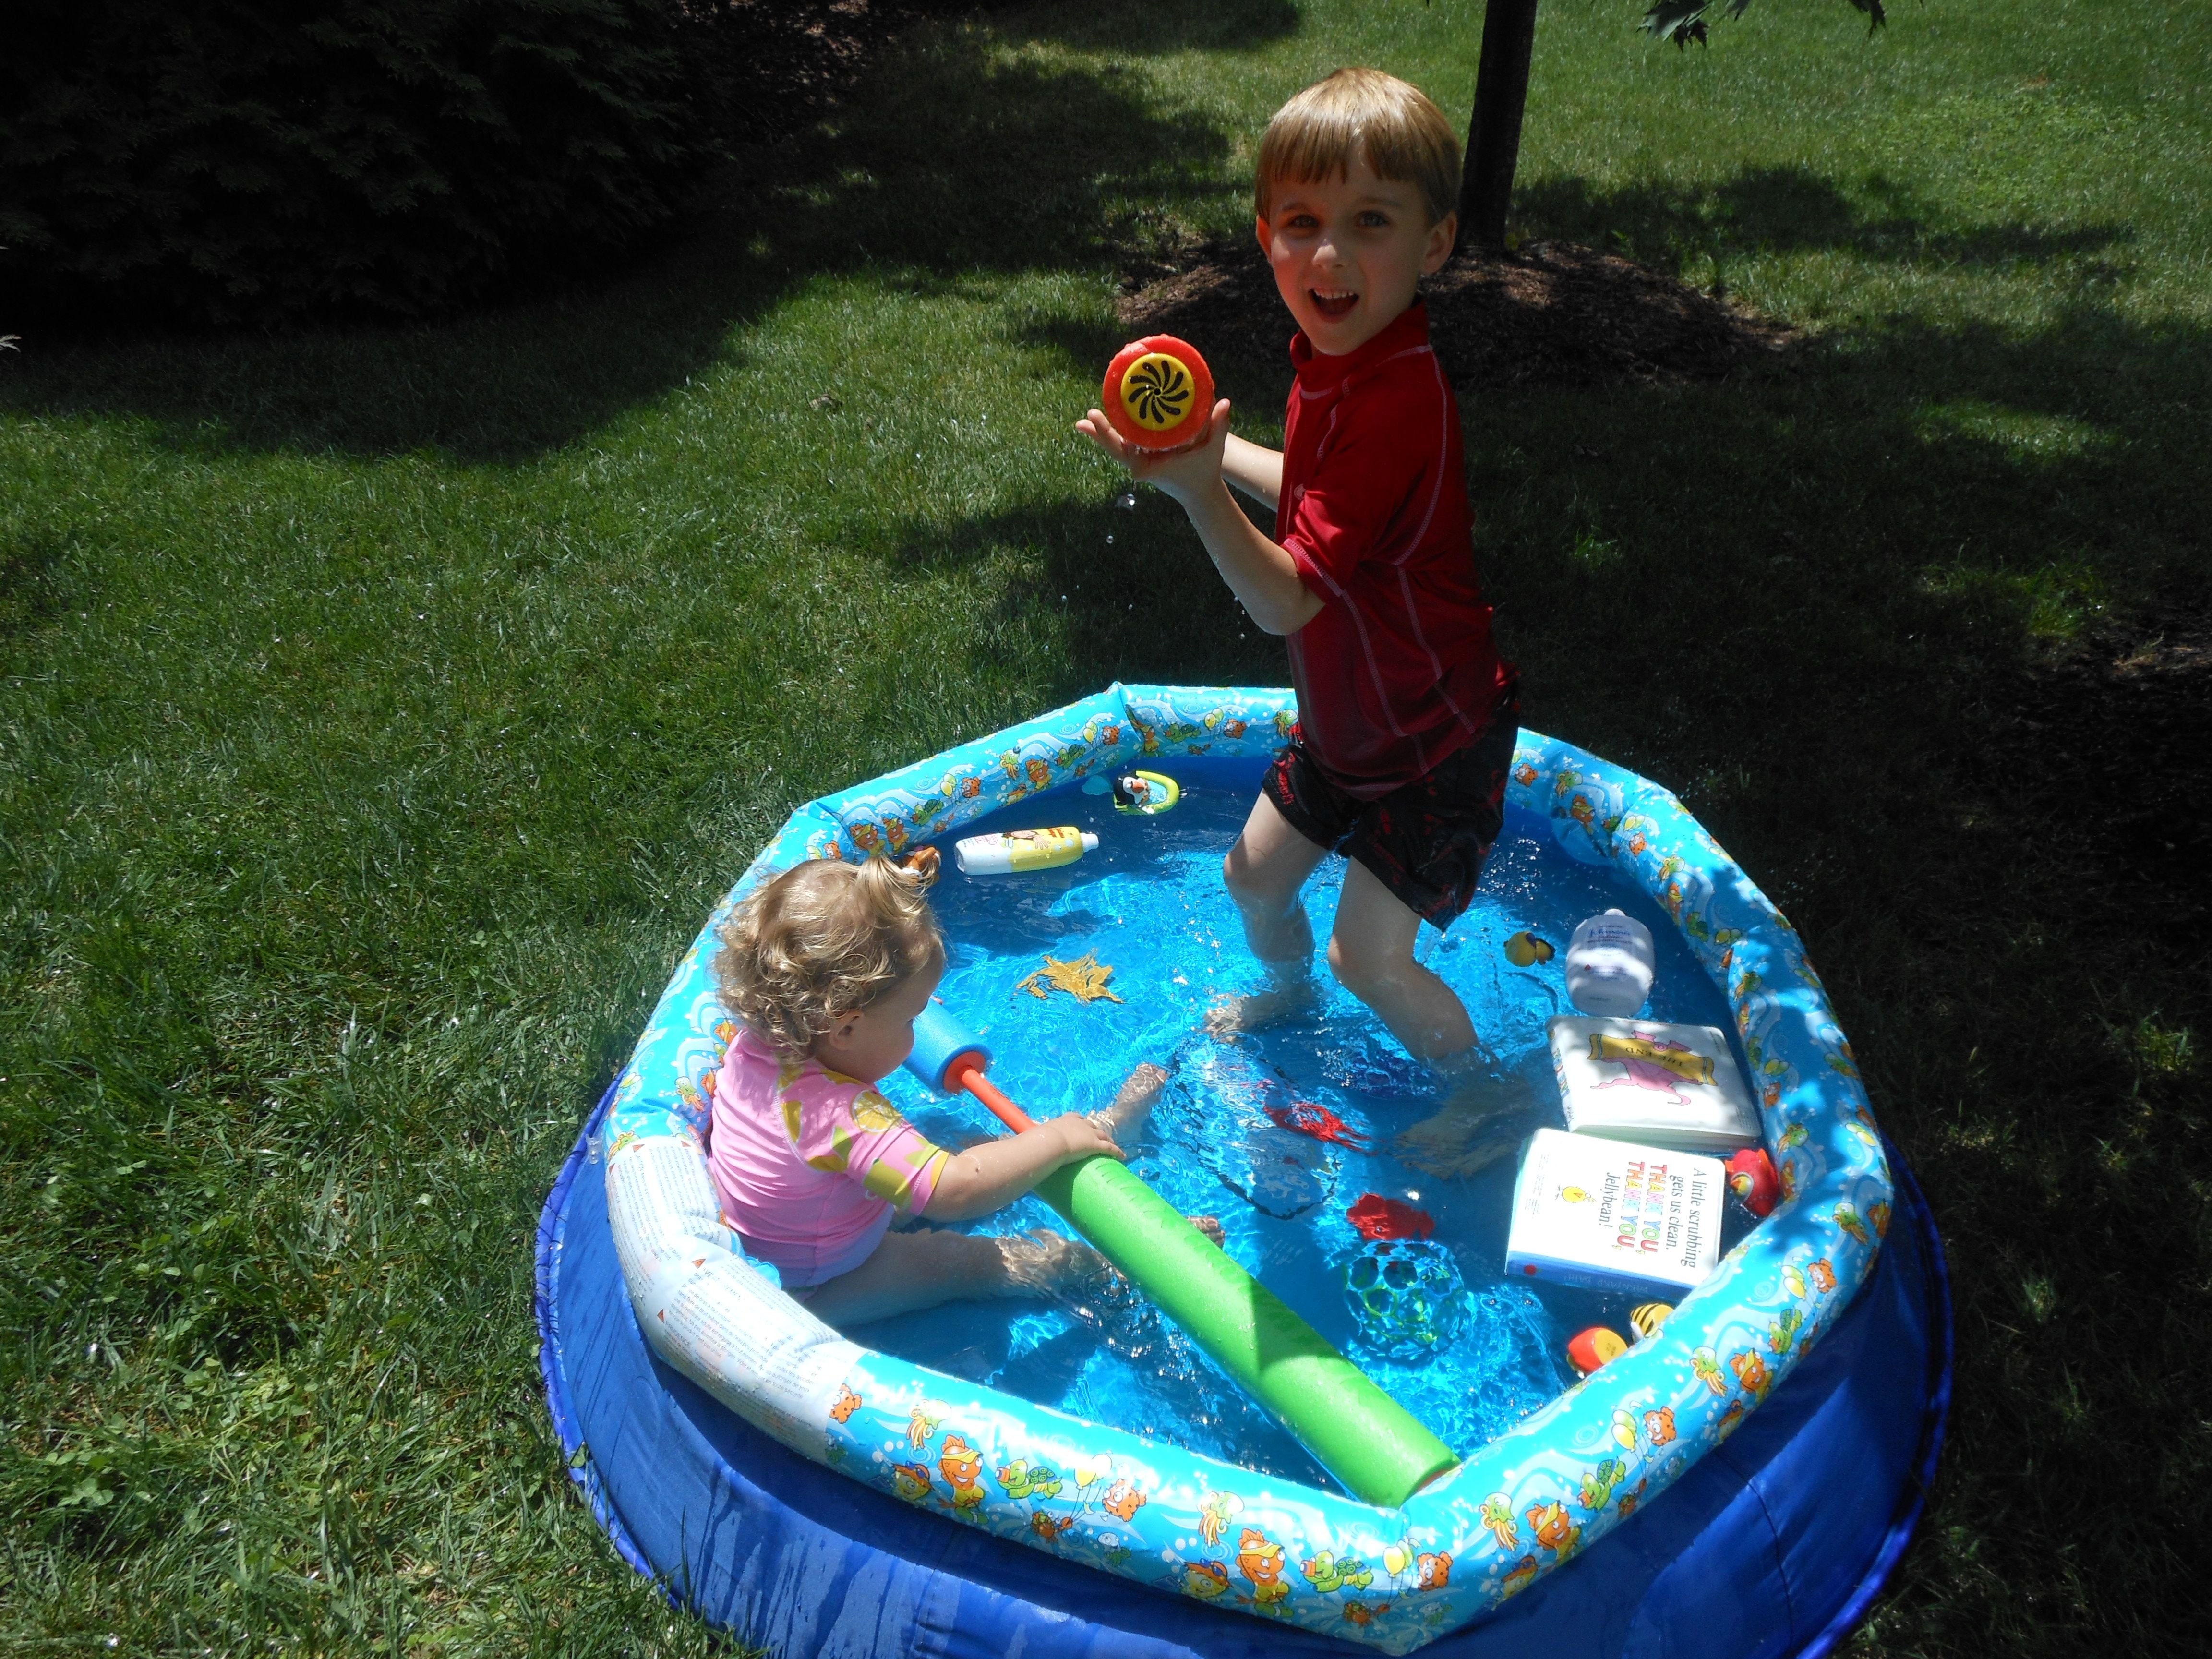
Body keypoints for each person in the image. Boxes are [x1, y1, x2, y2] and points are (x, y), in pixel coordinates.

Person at [1077, 67, 1520, 1085]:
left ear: (1435, 244)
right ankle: (1290, 996)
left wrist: (1198, 493)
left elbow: (1285, 597)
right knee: (1251, 881)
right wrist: (1201, 449)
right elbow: (1318, 496)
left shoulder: (1396, 400)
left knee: (1368, 958)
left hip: (1431, 740)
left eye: (1370, 222)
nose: (1329, 253)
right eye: (1301, 223)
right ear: (1265, 235)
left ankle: (1482, 1101)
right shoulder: (1341, 360)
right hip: (1351, 732)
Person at [706, 854, 1175, 1326]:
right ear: (846, 1028)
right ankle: (1110, 1264)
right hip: (818, 1284)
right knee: (961, 1261)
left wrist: (898, 1008)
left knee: (977, 1151)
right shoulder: (841, 1116)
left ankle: (1098, 1132)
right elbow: (956, 1191)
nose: (922, 1027)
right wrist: (1055, 1141)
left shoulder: (761, 1043)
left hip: (806, 1227)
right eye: (913, 1018)